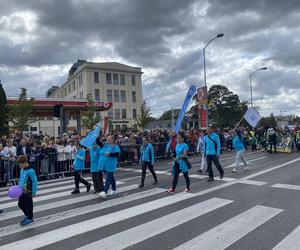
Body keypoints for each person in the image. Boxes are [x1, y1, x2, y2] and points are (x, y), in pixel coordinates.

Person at [16, 155, 38, 226]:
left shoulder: (31, 170)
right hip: (22, 190)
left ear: (25, 162)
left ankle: (30, 218)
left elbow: (34, 181)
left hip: (28, 190)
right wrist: (19, 188)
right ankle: (27, 215)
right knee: (20, 203)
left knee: (28, 204)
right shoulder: (22, 169)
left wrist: (34, 192)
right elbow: (21, 179)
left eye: (20, 164)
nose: (19, 166)